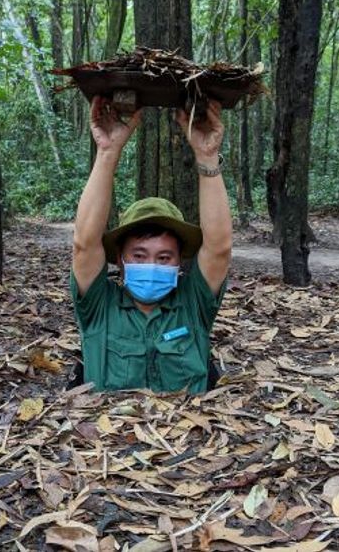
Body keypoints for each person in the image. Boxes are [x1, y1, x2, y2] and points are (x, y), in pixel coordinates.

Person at [69, 95, 232, 394]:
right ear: (120, 259)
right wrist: (107, 153)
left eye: (164, 257)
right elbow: (84, 244)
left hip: (188, 437)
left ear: (179, 261)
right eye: (139, 255)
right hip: (107, 436)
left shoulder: (192, 305)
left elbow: (219, 248)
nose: (151, 265)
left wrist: (207, 157)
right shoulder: (98, 307)